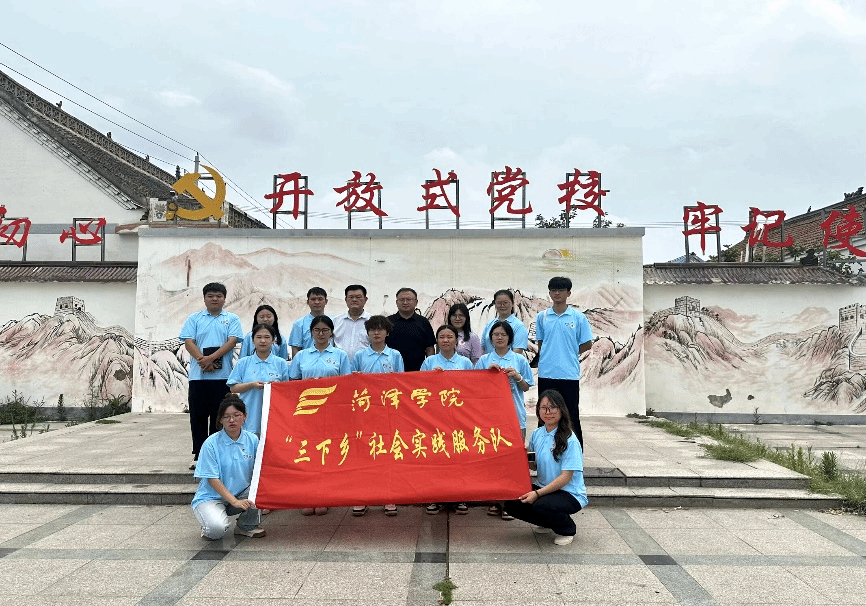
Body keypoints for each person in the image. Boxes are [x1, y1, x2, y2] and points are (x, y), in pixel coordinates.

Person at [504, 390, 587, 546]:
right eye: (544, 408)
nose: (548, 412)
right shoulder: (537, 434)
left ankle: (567, 529)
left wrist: (537, 494)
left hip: (569, 493)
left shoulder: (570, 439)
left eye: (553, 407)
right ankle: (547, 522)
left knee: (541, 505)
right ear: (538, 410)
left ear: (561, 409)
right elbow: (534, 466)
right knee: (511, 503)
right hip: (544, 488)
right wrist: (523, 454)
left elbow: (566, 477)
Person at [288, 314, 351, 517]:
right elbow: (292, 383)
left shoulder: (340, 355)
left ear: (331, 333)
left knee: (328, 452)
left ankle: (325, 496)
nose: (321, 334)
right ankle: (308, 496)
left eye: (325, 330)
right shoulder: (301, 356)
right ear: (311, 333)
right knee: (308, 452)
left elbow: (347, 384)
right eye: (317, 330)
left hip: (332, 412)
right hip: (307, 413)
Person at [180, 282, 244, 470]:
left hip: (223, 378)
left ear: (224, 299)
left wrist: (211, 358)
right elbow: (188, 342)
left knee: (220, 417)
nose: (214, 299)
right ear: (204, 298)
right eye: (210, 296)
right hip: (198, 378)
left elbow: (232, 341)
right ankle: (199, 455)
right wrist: (203, 360)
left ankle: (217, 454)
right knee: (198, 417)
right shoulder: (194, 319)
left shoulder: (232, 319)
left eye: (218, 296)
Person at [475, 320, 534, 520]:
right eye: (495, 335)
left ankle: (511, 502)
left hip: (515, 416)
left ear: (510, 338)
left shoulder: (519, 360)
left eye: (503, 334)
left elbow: (526, 387)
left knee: (513, 460)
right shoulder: (484, 360)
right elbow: (475, 389)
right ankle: (494, 501)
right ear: (490, 338)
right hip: (490, 418)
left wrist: (516, 376)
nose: (499, 338)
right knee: (492, 459)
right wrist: (487, 375)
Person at [350, 314, 405, 517]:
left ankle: (388, 497)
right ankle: (363, 497)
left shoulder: (395, 355)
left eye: (380, 329)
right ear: (367, 333)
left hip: (388, 412)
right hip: (365, 413)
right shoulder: (359, 356)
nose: (376, 333)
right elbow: (351, 384)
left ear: (387, 332)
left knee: (388, 454)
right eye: (372, 329)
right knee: (365, 455)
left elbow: (401, 383)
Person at [192, 394, 265, 539]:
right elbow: (212, 479)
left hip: (241, 493)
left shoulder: (252, 439)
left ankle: (246, 526)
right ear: (220, 420)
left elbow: (260, 470)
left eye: (236, 415)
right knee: (216, 531)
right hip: (212, 497)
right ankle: (209, 523)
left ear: (245, 416)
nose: (232, 420)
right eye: (226, 417)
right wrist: (234, 501)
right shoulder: (211, 443)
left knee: (261, 489)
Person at [535, 276, 593, 448]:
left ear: (569, 293)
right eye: (553, 290)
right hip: (546, 374)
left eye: (561, 290)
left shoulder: (578, 317)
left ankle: (575, 454)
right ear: (549, 293)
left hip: (569, 374)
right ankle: (543, 452)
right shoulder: (542, 317)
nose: (557, 293)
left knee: (571, 415)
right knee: (545, 414)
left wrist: (569, 353)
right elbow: (541, 343)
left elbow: (587, 344)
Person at [421, 324, 473, 515]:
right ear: (437, 340)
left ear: (456, 340)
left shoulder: (465, 363)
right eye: (442, 337)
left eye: (450, 337)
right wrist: (432, 379)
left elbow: (471, 389)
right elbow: (419, 389)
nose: (445, 340)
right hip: (435, 418)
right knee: (437, 457)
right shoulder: (429, 362)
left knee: (459, 457)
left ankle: (460, 497)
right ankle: (435, 497)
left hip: (459, 418)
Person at [228, 324, 291, 436]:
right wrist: (251, 385)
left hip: (275, 417)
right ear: (253, 340)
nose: (263, 341)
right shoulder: (243, 363)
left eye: (267, 337)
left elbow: (288, 390)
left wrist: (277, 386)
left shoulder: (281, 363)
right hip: (249, 416)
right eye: (259, 337)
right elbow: (233, 387)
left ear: (273, 340)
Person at [386, 287, 435, 372]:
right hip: (392, 371)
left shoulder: (423, 322)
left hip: (418, 372)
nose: (405, 302)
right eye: (402, 300)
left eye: (409, 299)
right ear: (396, 302)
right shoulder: (388, 322)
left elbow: (430, 349)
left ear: (416, 302)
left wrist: (430, 368)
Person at [481, 289, 529, 354]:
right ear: (495, 304)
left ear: (512, 304)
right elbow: (483, 347)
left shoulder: (518, 326)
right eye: (499, 303)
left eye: (506, 302)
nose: (502, 305)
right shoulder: (489, 324)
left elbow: (517, 353)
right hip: (488, 360)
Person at [333, 284, 371, 359]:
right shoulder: (336, 321)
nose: (354, 300)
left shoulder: (372, 321)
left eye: (358, 297)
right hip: (340, 363)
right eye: (351, 297)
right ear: (345, 300)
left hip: (365, 364)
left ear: (365, 299)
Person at [289, 287, 328, 357]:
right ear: (307, 302)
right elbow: (295, 349)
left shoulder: (334, 321)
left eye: (320, 299)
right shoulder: (299, 324)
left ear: (326, 301)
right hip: (307, 362)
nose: (316, 302)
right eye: (313, 299)